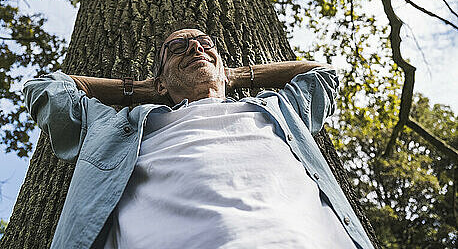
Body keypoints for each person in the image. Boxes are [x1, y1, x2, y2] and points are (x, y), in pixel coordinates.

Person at [23, 27, 375, 249]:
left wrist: (234, 76)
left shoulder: (279, 108)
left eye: (206, 45)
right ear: (160, 81)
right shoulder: (122, 126)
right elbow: (46, 90)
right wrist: (143, 89)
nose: (196, 49)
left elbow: (321, 73)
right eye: (178, 47)